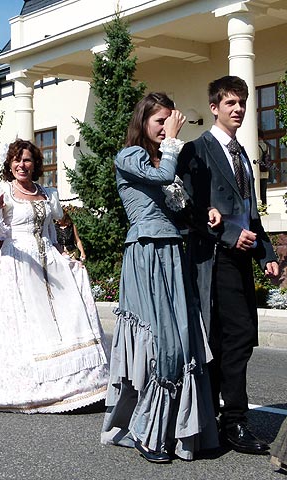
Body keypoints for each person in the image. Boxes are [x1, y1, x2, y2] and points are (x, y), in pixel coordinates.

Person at [100, 93, 219, 463]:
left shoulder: (157, 157)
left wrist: (206, 211)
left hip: (171, 253)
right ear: (144, 122)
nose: (166, 127)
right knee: (160, 345)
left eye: (169, 120)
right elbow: (163, 175)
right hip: (147, 253)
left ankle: (176, 431)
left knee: (182, 341)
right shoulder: (130, 156)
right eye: (160, 121)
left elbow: (176, 204)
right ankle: (146, 431)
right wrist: (172, 143)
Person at [178, 76, 279, 455]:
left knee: (237, 339)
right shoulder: (196, 151)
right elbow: (187, 208)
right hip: (212, 259)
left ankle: (226, 418)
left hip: (240, 261)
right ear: (215, 107)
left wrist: (266, 254)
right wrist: (226, 237)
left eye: (242, 103)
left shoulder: (242, 156)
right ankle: (229, 420)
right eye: (231, 103)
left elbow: (250, 215)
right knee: (226, 339)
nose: (238, 109)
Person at [0, 139, 109, 414]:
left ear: (35, 165)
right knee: (29, 323)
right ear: (10, 165)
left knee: (65, 316)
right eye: (17, 160)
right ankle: (33, 386)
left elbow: (63, 222)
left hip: (49, 257)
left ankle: (82, 383)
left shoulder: (47, 193)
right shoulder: (1, 192)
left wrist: (73, 246)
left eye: (27, 160)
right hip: (18, 263)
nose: (22, 165)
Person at [257, 129, 271, 205]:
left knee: (258, 192)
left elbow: (257, 159)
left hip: (259, 173)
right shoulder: (266, 145)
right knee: (263, 193)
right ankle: (264, 208)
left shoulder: (257, 146)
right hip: (265, 172)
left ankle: (261, 209)